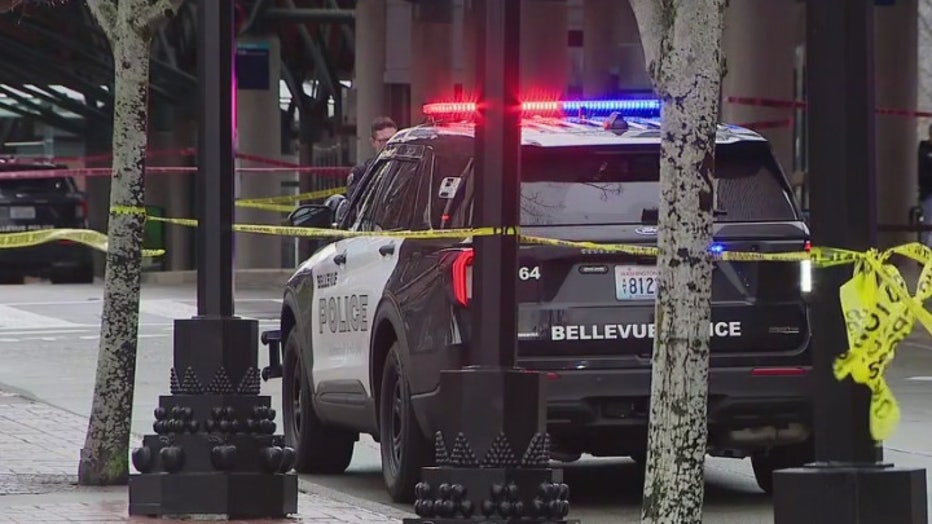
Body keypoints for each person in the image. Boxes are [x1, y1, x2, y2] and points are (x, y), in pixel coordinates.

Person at [347, 116, 398, 200]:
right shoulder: (361, 172)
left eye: (394, 140)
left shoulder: (408, 169)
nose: (391, 145)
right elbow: (355, 205)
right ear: (373, 142)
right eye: (385, 141)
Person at [919, 124, 932, 245]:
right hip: (928, 194)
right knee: (928, 225)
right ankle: (926, 254)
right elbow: (924, 173)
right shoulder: (924, 150)